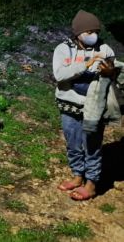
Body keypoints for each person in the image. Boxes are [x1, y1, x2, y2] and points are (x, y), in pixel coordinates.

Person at [53, 10, 116, 201]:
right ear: (78, 33)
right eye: (88, 31)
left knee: (93, 145)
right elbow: (60, 75)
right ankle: (77, 175)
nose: (93, 35)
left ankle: (91, 183)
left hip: (94, 107)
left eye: (95, 31)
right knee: (73, 143)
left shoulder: (105, 49)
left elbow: (115, 75)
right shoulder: (63, 49)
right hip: (69, 104)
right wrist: (86, 64)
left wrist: (109, 71)